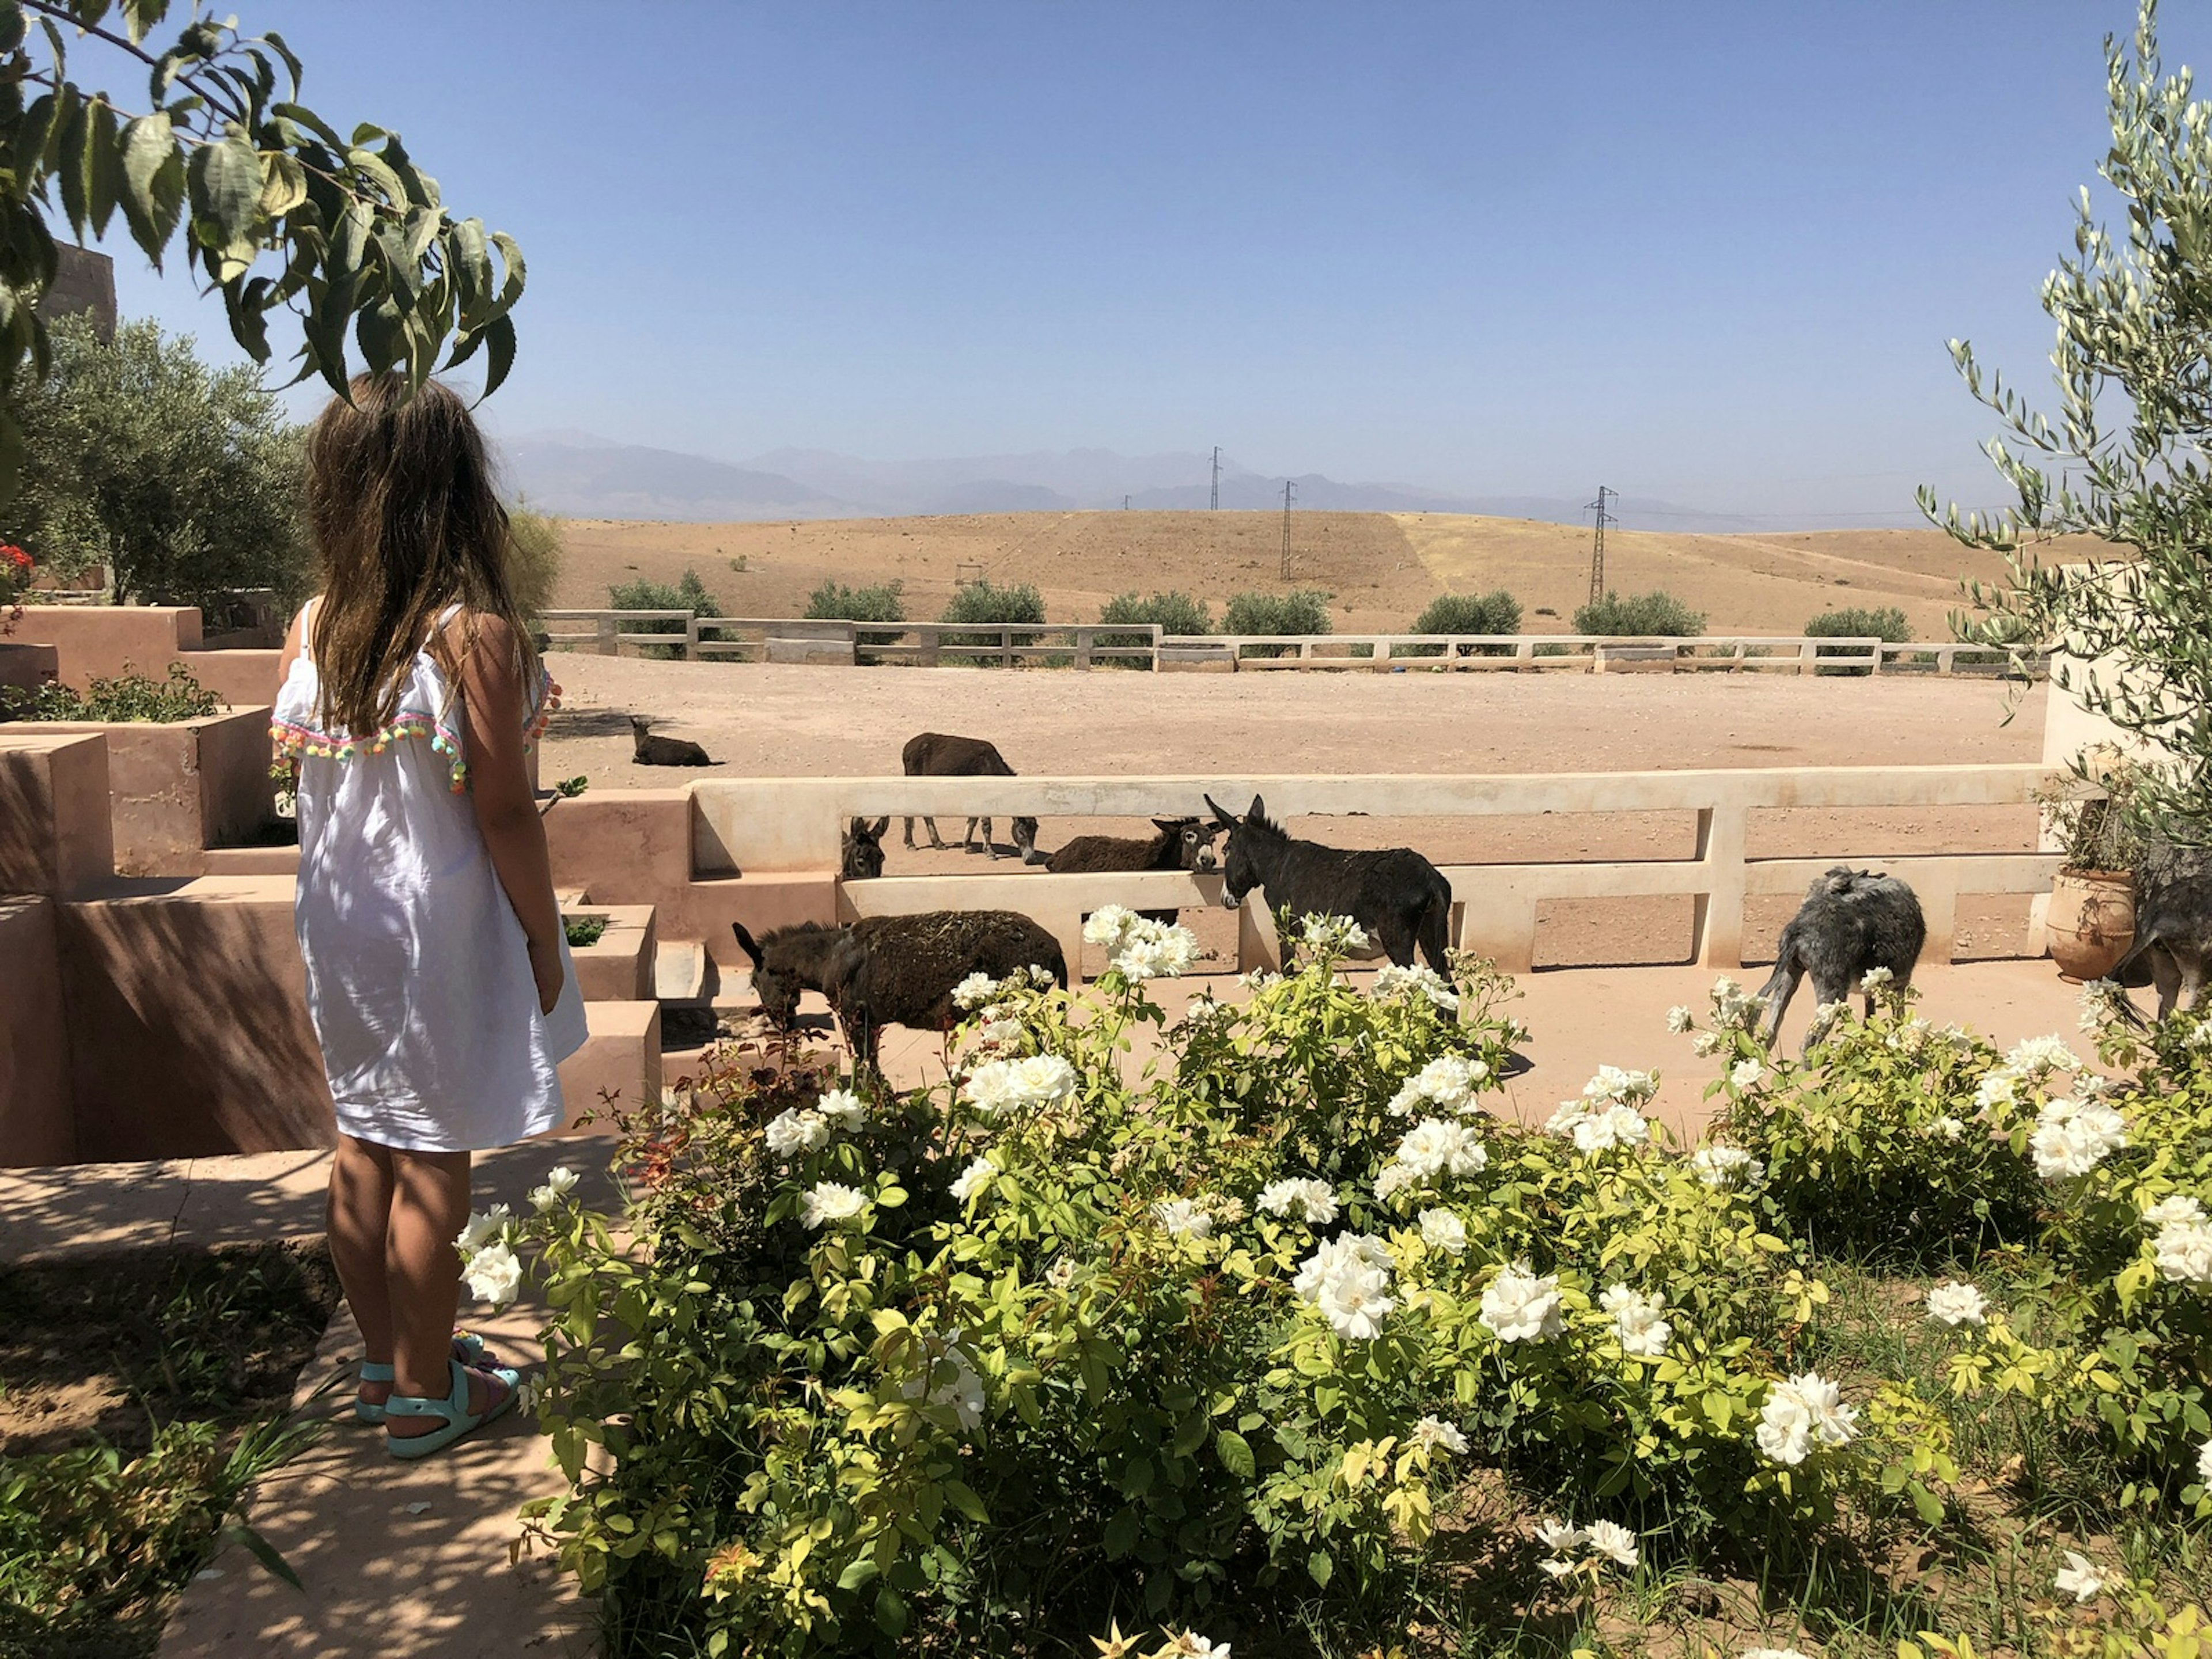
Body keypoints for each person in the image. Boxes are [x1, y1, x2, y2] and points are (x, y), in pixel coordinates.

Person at [271, 373, 586, 1459]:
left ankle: (384, 1364)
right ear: (455, 492)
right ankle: (423, 1396)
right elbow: (503, 808)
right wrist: (544, 940)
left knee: (362, 1136)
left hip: (339, 921)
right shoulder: (471, 638)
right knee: (434, 1148)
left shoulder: (312, 625)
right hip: (431, 924)